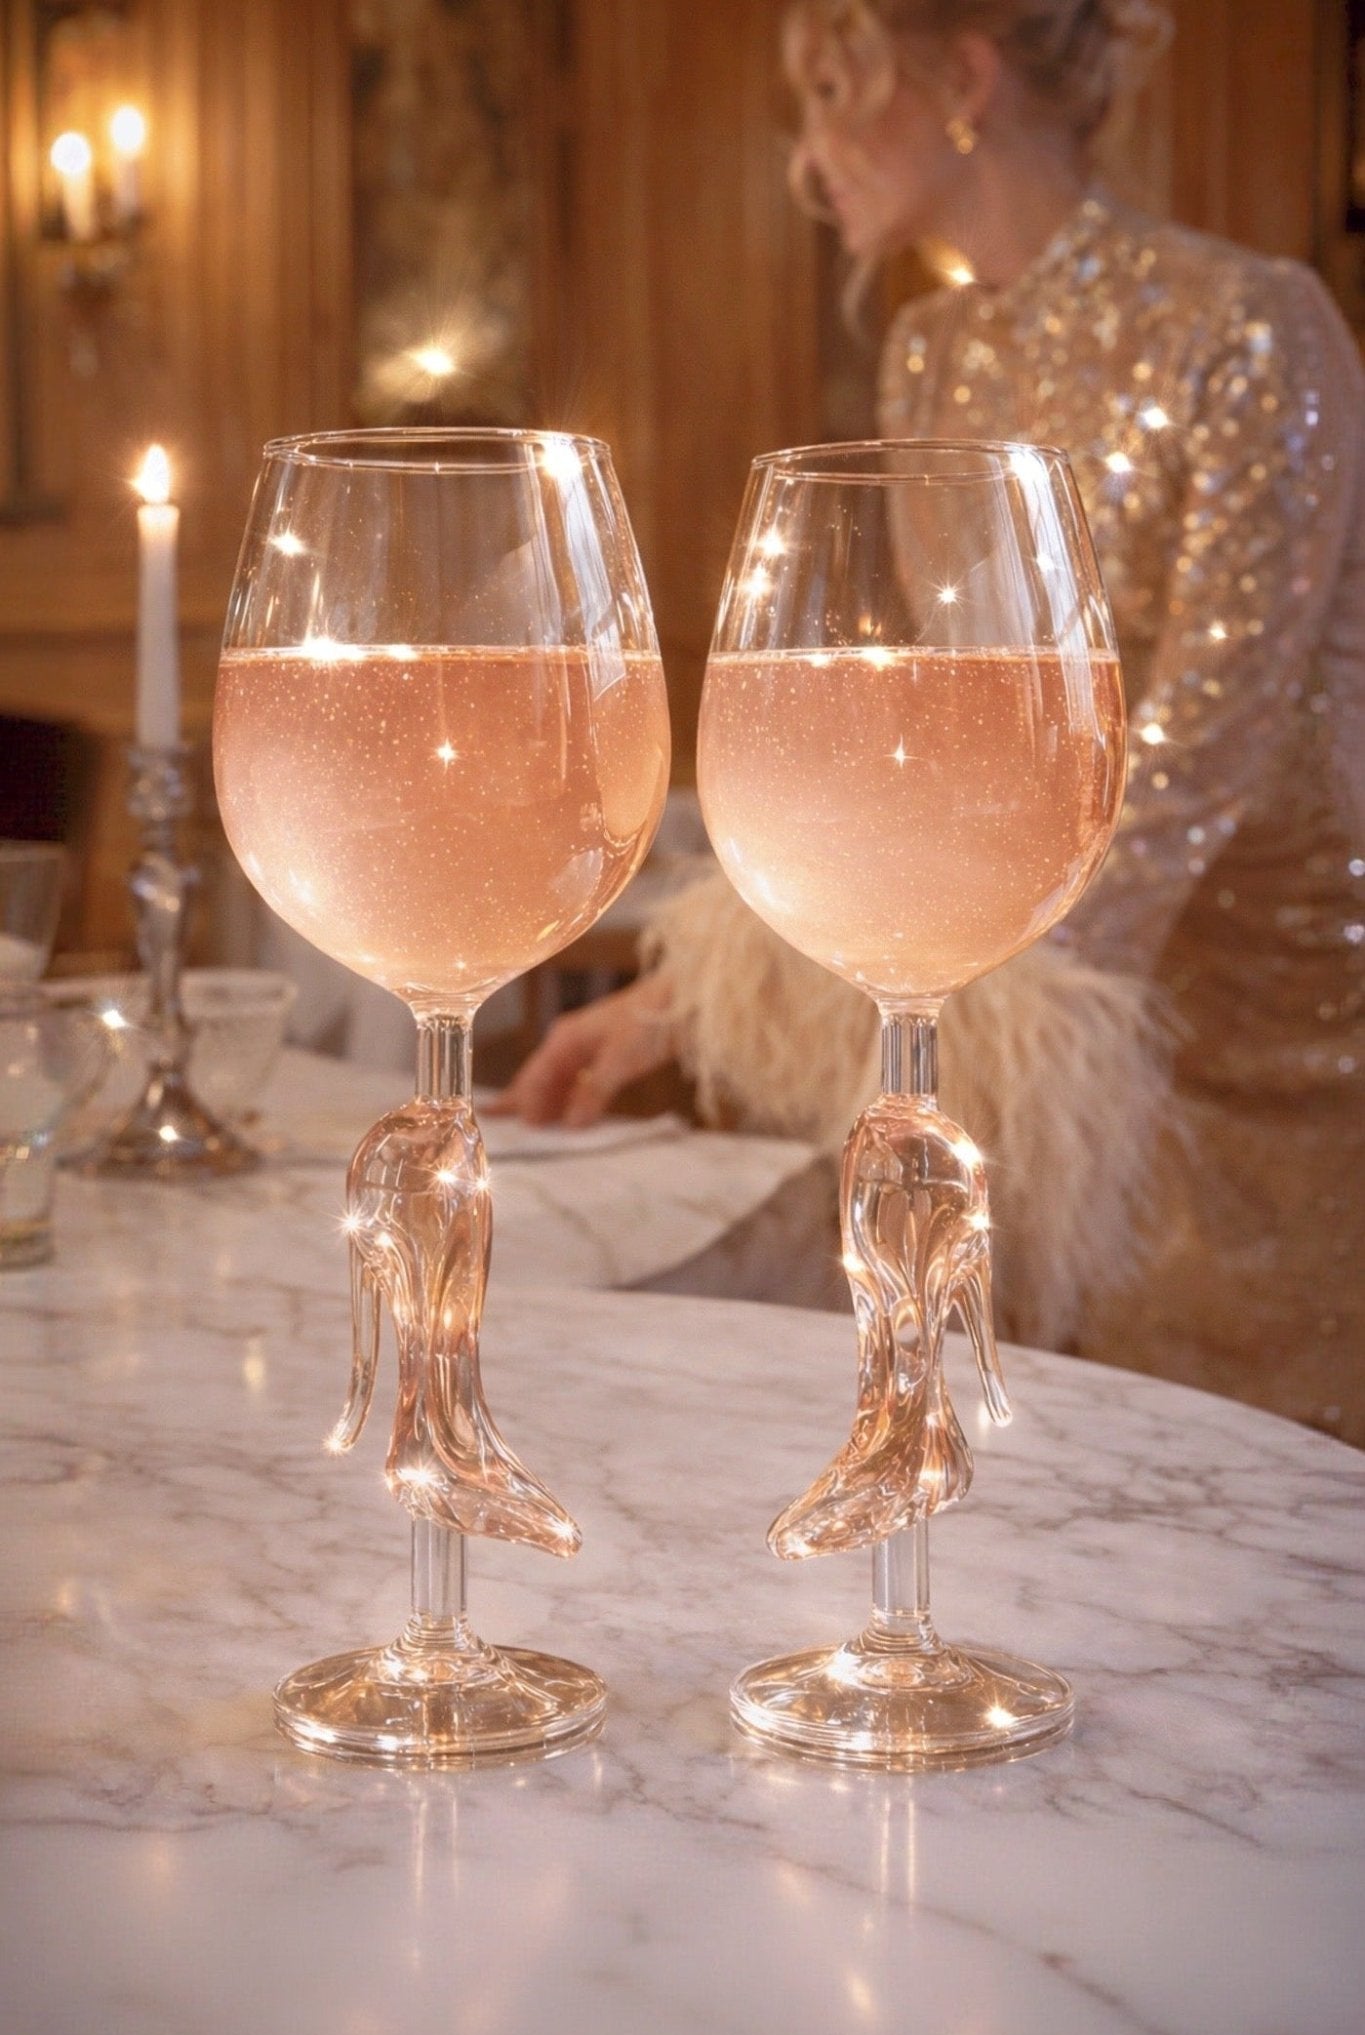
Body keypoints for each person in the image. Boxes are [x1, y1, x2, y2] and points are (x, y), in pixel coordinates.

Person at [495, 0, 1365, 1444]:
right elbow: (938, 761)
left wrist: (940, 1007)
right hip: (1034, 1010)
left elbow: (1189, 767)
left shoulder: (1252, 328)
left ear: (962, 78)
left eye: (834, 93)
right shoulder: (933, 356)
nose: (806, 156)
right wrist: (682, 1000)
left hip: (1278, 1041)